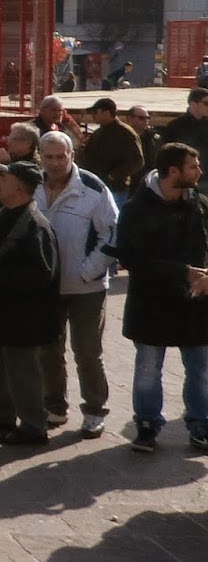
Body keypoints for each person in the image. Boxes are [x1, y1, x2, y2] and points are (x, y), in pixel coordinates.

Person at [112, 142, 208, 452]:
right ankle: (148, 425)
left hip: (196, 304)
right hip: (151, 304)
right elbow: (131, 258)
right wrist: (183, 272)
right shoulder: (136, 209)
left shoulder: (201, 205)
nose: (200, 172)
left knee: (201, 368)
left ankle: (201, 425)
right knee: (148, 369)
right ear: (173, 172)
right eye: (193, 167)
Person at [0, 161, 59, 448]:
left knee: (23, 371)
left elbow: (41, 275)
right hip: (0, 310)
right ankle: (1, 414)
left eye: (3, 177)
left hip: (24, 316)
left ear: (20, 186)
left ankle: (33, 425)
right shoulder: (1, 216)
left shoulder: (36, 226)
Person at [34, 131, 117, 439]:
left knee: (86, 351)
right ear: (41, 156)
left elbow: (112, 233)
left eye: (61, 156)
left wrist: (89, 271)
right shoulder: (33, 184)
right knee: (48, 349)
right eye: (49, 156)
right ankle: (54, 406)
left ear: (72, 155)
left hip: (87, 288)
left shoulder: (93, 189)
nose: (55, 163)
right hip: (46, 287)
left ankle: (95, 410)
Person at [79, 97, 144, 205]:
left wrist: (113, 175)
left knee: (113, 220)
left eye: (95, 112)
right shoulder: (97, 134)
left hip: (116, 189)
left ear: (107, 112)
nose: (92, 115)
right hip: (94, 187)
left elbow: (137, 161)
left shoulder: (126, 133)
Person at [161, 89, 208, 196]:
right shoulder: (175, 126)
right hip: (184, 181)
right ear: (193, 104)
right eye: (206, 103)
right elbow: (166, 154)